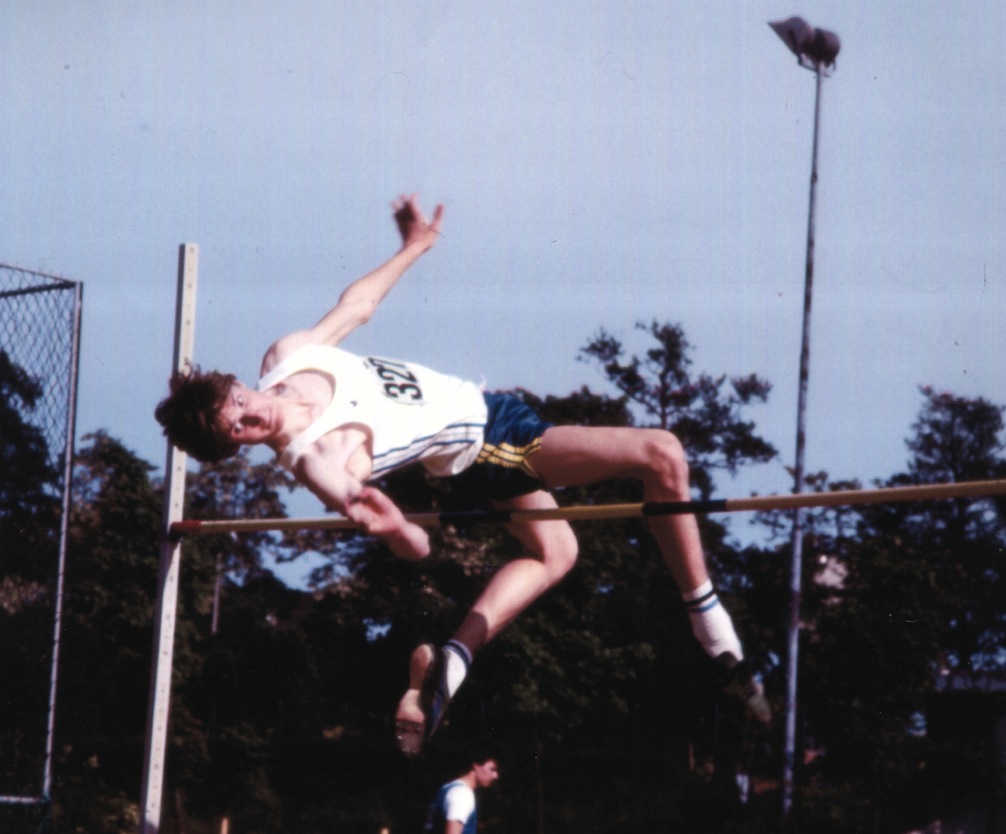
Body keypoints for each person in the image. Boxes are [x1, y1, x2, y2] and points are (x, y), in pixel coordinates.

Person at [154, 194, 771, 757]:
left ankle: (454, 659)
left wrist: (415, 247)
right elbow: (407, 541)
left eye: (239, 405)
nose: (251, 419)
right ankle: (713, 632)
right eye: (237, 431)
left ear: (237, 385)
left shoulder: (286, 356)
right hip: (491, 441)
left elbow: (358, 306)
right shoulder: (318, 460)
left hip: (489, 416)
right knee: (662, 454)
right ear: (234, 446)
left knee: (557, 551)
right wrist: (395, 528)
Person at [423, 750, 500, 834]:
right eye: (492, 769)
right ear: (476, 765)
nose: (496, 776)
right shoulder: (462, 795)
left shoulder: (446, 788)